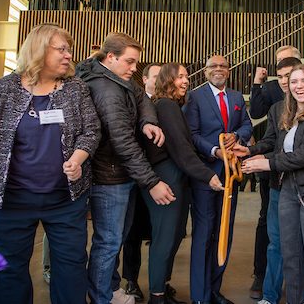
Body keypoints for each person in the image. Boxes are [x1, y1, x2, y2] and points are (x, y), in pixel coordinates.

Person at [0, 24, 101, 304]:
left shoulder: (76, 89)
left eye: (69, 50)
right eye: (61, 49)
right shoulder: (2, 89)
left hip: (65, 200)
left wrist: (77, 157)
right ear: (38, 49)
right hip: (10, 200)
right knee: (10, 272)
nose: (68, 55)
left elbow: (92, 130)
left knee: (71, 269)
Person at [76, 32, 168, 304]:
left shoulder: (120, 80)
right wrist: (152, 182)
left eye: (136, 64)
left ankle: (111, 290)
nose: (133, 69)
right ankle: (101, 297)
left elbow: (143, 99)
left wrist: (147, 122)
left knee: (115, 239)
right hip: (108, 178)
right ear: (110, 57)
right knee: (107, 243)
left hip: (122, 175)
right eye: (129, 62)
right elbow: (123, 142)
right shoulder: (105, 90)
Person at [238, 64, 304, 304]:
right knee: (291, 254)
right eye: (293, 82)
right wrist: (253, 153)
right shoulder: (287, 113)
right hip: (288, 190)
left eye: (303, 80)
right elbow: (276, 145)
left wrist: (267, 164)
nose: (298, 86)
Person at [143, 63, 223, 304]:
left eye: (186, 77)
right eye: (180, 77)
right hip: (166, 176)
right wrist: (207, 175)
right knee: (164, 239)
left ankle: (162, 288)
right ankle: (157, 296)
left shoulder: (170, 106)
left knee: (173, 235)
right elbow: (181, 149)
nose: (186, 81)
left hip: (174, 175)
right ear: (167, 80)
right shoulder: (166, 106)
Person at [184, 55, 252, 304]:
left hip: (231, 177)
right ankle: (200, 296)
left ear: (229, 71)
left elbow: (247, 125)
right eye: (213, 66)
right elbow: (191, 134)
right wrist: (214, 151)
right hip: (205, 174)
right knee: (204, 233)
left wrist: (237, 135)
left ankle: (214, 290)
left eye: (223, 66)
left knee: (225, 231)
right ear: (205, 72)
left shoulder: (236, 97)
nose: (218, 70)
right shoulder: (195, 97)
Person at [248, 57, 304, 304]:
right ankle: (269, 296)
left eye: (294, 76)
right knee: (275, 243)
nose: (288, 81)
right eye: (284, 77)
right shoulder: (277, 108)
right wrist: (249, 151)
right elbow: (269, 141)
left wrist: (267, 162)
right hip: (279, 185)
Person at [122, 63, 161, 301]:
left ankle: (160, 282)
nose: (159, 81)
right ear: (144, 79)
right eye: (155, 76)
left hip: (162, 179)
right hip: (137, 179)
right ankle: (131, 281)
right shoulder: (133, 103)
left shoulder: (170, 103)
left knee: (160, 234)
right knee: (133, 234)